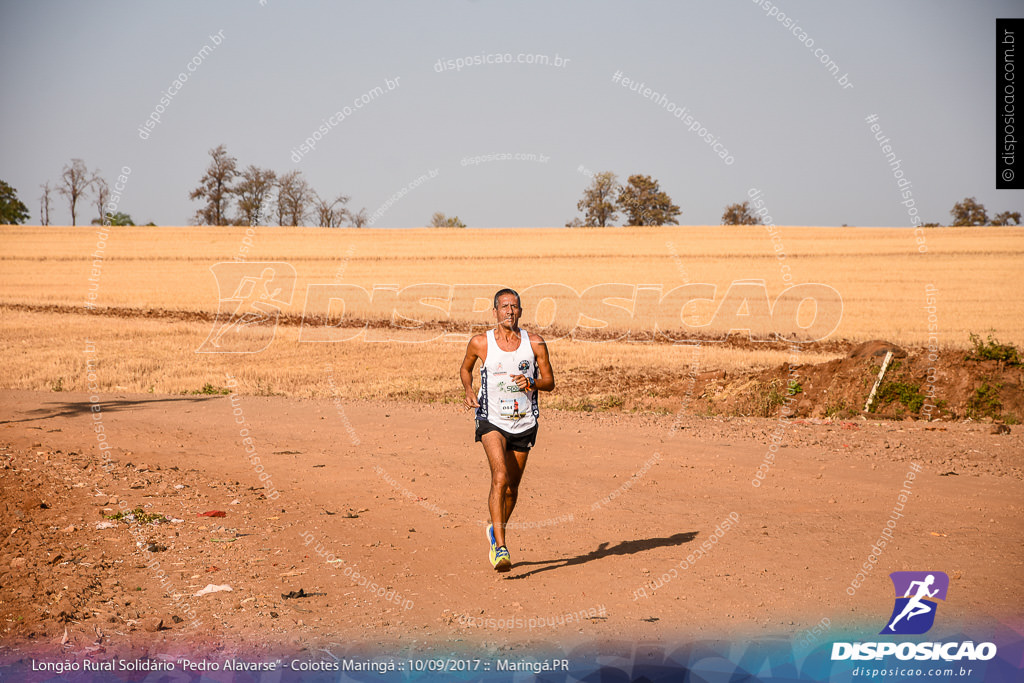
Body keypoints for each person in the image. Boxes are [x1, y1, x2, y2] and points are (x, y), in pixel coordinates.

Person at [460, 288, 555, 572]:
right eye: (504, 307)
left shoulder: (535, 343)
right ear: (495, 312)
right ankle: (501, 548)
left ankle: (494, 530)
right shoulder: (481, 342)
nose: (509, 311)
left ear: (521, 312)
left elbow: (549, 381)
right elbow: (465, 369)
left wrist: (533, 384)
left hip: (524, 421)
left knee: (512, 489)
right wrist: (468, 389)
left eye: (514, 307)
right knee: (499, 475)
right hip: (490, 418)